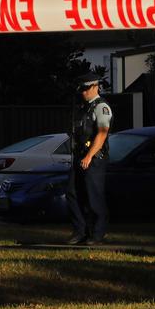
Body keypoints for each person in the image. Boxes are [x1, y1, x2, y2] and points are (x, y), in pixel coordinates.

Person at [67, 73, 111, 245]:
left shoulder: (101, 107)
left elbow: (102, 134)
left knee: (94, 196)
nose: (83, 92)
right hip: (80, 157)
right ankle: (81, 231)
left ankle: (98, 233)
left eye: (86, 89)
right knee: (72, 192)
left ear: (95, 87)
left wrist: (89, 156)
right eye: (82, 89)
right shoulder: (84, 108)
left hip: (93, 158)